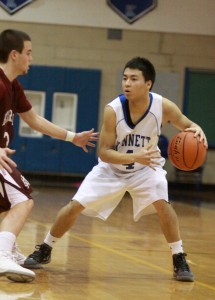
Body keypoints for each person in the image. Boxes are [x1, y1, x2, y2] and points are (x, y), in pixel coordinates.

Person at [24, 57, 208, 282]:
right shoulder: (113, 109)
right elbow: (103, 152)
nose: (126, 83)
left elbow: (188, 125)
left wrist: (198, 130)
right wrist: (135, 155)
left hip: (146, 169)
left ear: (148, 84)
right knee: (75, 206)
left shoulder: (163, 106)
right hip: (112, 169)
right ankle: (45, 248)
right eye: (124, 78)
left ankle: (179, 258)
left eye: (133, 79)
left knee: (162, 202)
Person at [0, 29, 99, 283]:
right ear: (14, 55)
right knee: (23, 200)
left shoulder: (12, 86)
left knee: (7, 207)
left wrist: (71, 137)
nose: (31, 58)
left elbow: (34, 120)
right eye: (28, 53)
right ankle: (2, 255)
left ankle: (7, 251)